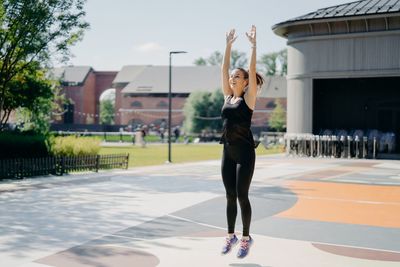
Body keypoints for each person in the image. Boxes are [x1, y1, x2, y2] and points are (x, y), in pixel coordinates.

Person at [219, 25, 264, 258]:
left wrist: (253, 46)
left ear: (246, 82)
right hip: (228, 151)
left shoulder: (249, 98)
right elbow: (224, 67)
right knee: (229, 195)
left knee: (242, 195)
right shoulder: (227, 95)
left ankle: (246, 238)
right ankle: (230, 235)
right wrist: (228, 45)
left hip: (245, 154)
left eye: (237, 76)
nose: (232, 77)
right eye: (232, 76)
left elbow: (253, 68)